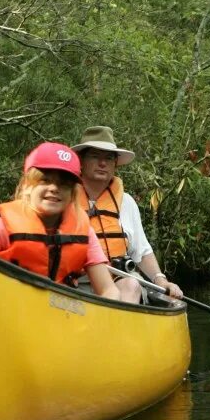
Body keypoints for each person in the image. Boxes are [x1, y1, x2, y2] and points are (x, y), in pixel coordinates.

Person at [0, 142, 121, 300]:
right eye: (45, 180)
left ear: (72, 194)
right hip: (8, 310)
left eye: (64, 184)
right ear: (27, 186)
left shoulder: (84, 231)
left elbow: (108, 290)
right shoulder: (1, 228)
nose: (54, 188)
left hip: (59, 315)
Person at [72, 126, 183, 303]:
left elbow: (142, 251)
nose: (102, 163)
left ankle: (117, 327)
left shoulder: (127, 202)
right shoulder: (64, 197)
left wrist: (161, 280)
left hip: (118, 280)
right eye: (95, 156)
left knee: (132, 284)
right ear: (81, 161)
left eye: (108, 158)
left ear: (115, 164)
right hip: (76, 281)